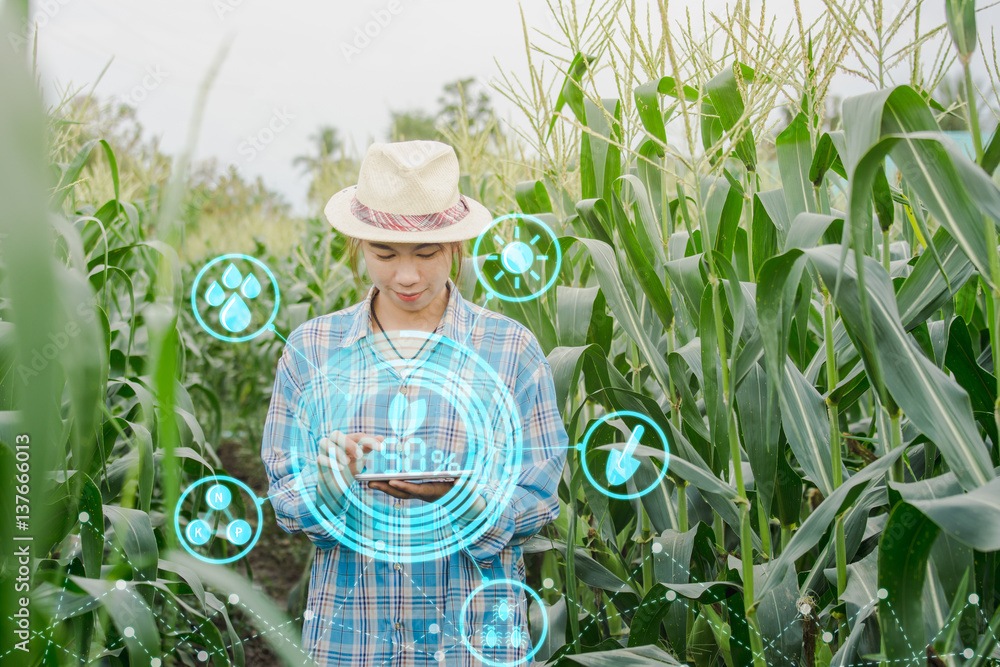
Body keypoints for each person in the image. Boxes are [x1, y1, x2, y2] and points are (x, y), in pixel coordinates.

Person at [260, 140, 569, 666]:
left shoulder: (509, 349)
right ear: (359, 245)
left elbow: (538, 497)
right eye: (385, 254)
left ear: (455, 248)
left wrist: (459, 496)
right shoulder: (312, 350)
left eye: (426, 254)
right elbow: (288, 500)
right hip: (353, 639)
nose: (406, 276)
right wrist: (330, 484)